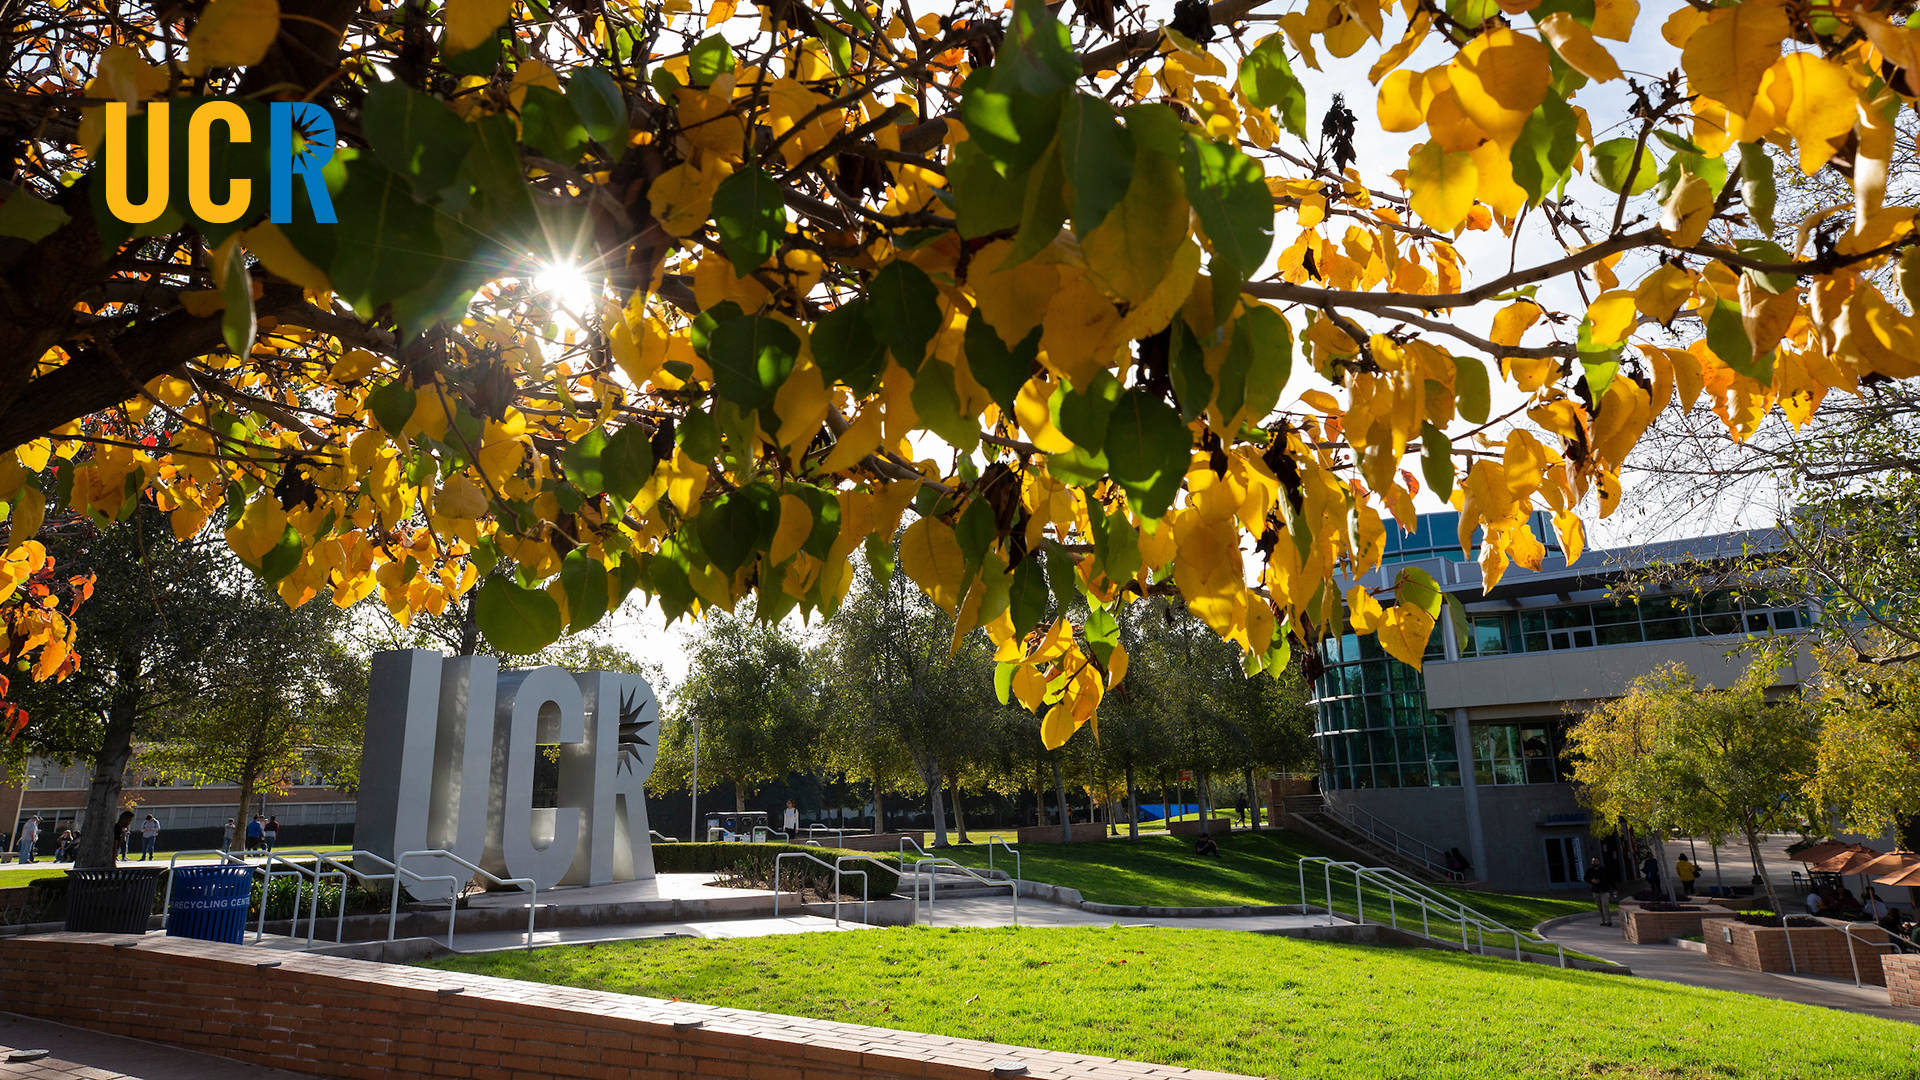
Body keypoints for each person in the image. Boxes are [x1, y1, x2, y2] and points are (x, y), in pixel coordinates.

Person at [1585, 857, 1616, 926]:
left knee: (1605, 905)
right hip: (1595, 891)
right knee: (1600, 907)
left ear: (1599, 862)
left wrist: (1614, 888)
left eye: (1596, 861)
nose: (1594, 862)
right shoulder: (1589, 870)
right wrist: (1591, 880)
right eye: (1593, 861)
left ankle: (1608, 921)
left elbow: (1610, 879)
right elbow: (1585, 878)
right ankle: (1604, 921)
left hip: (1605, 890)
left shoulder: (1604, 870)